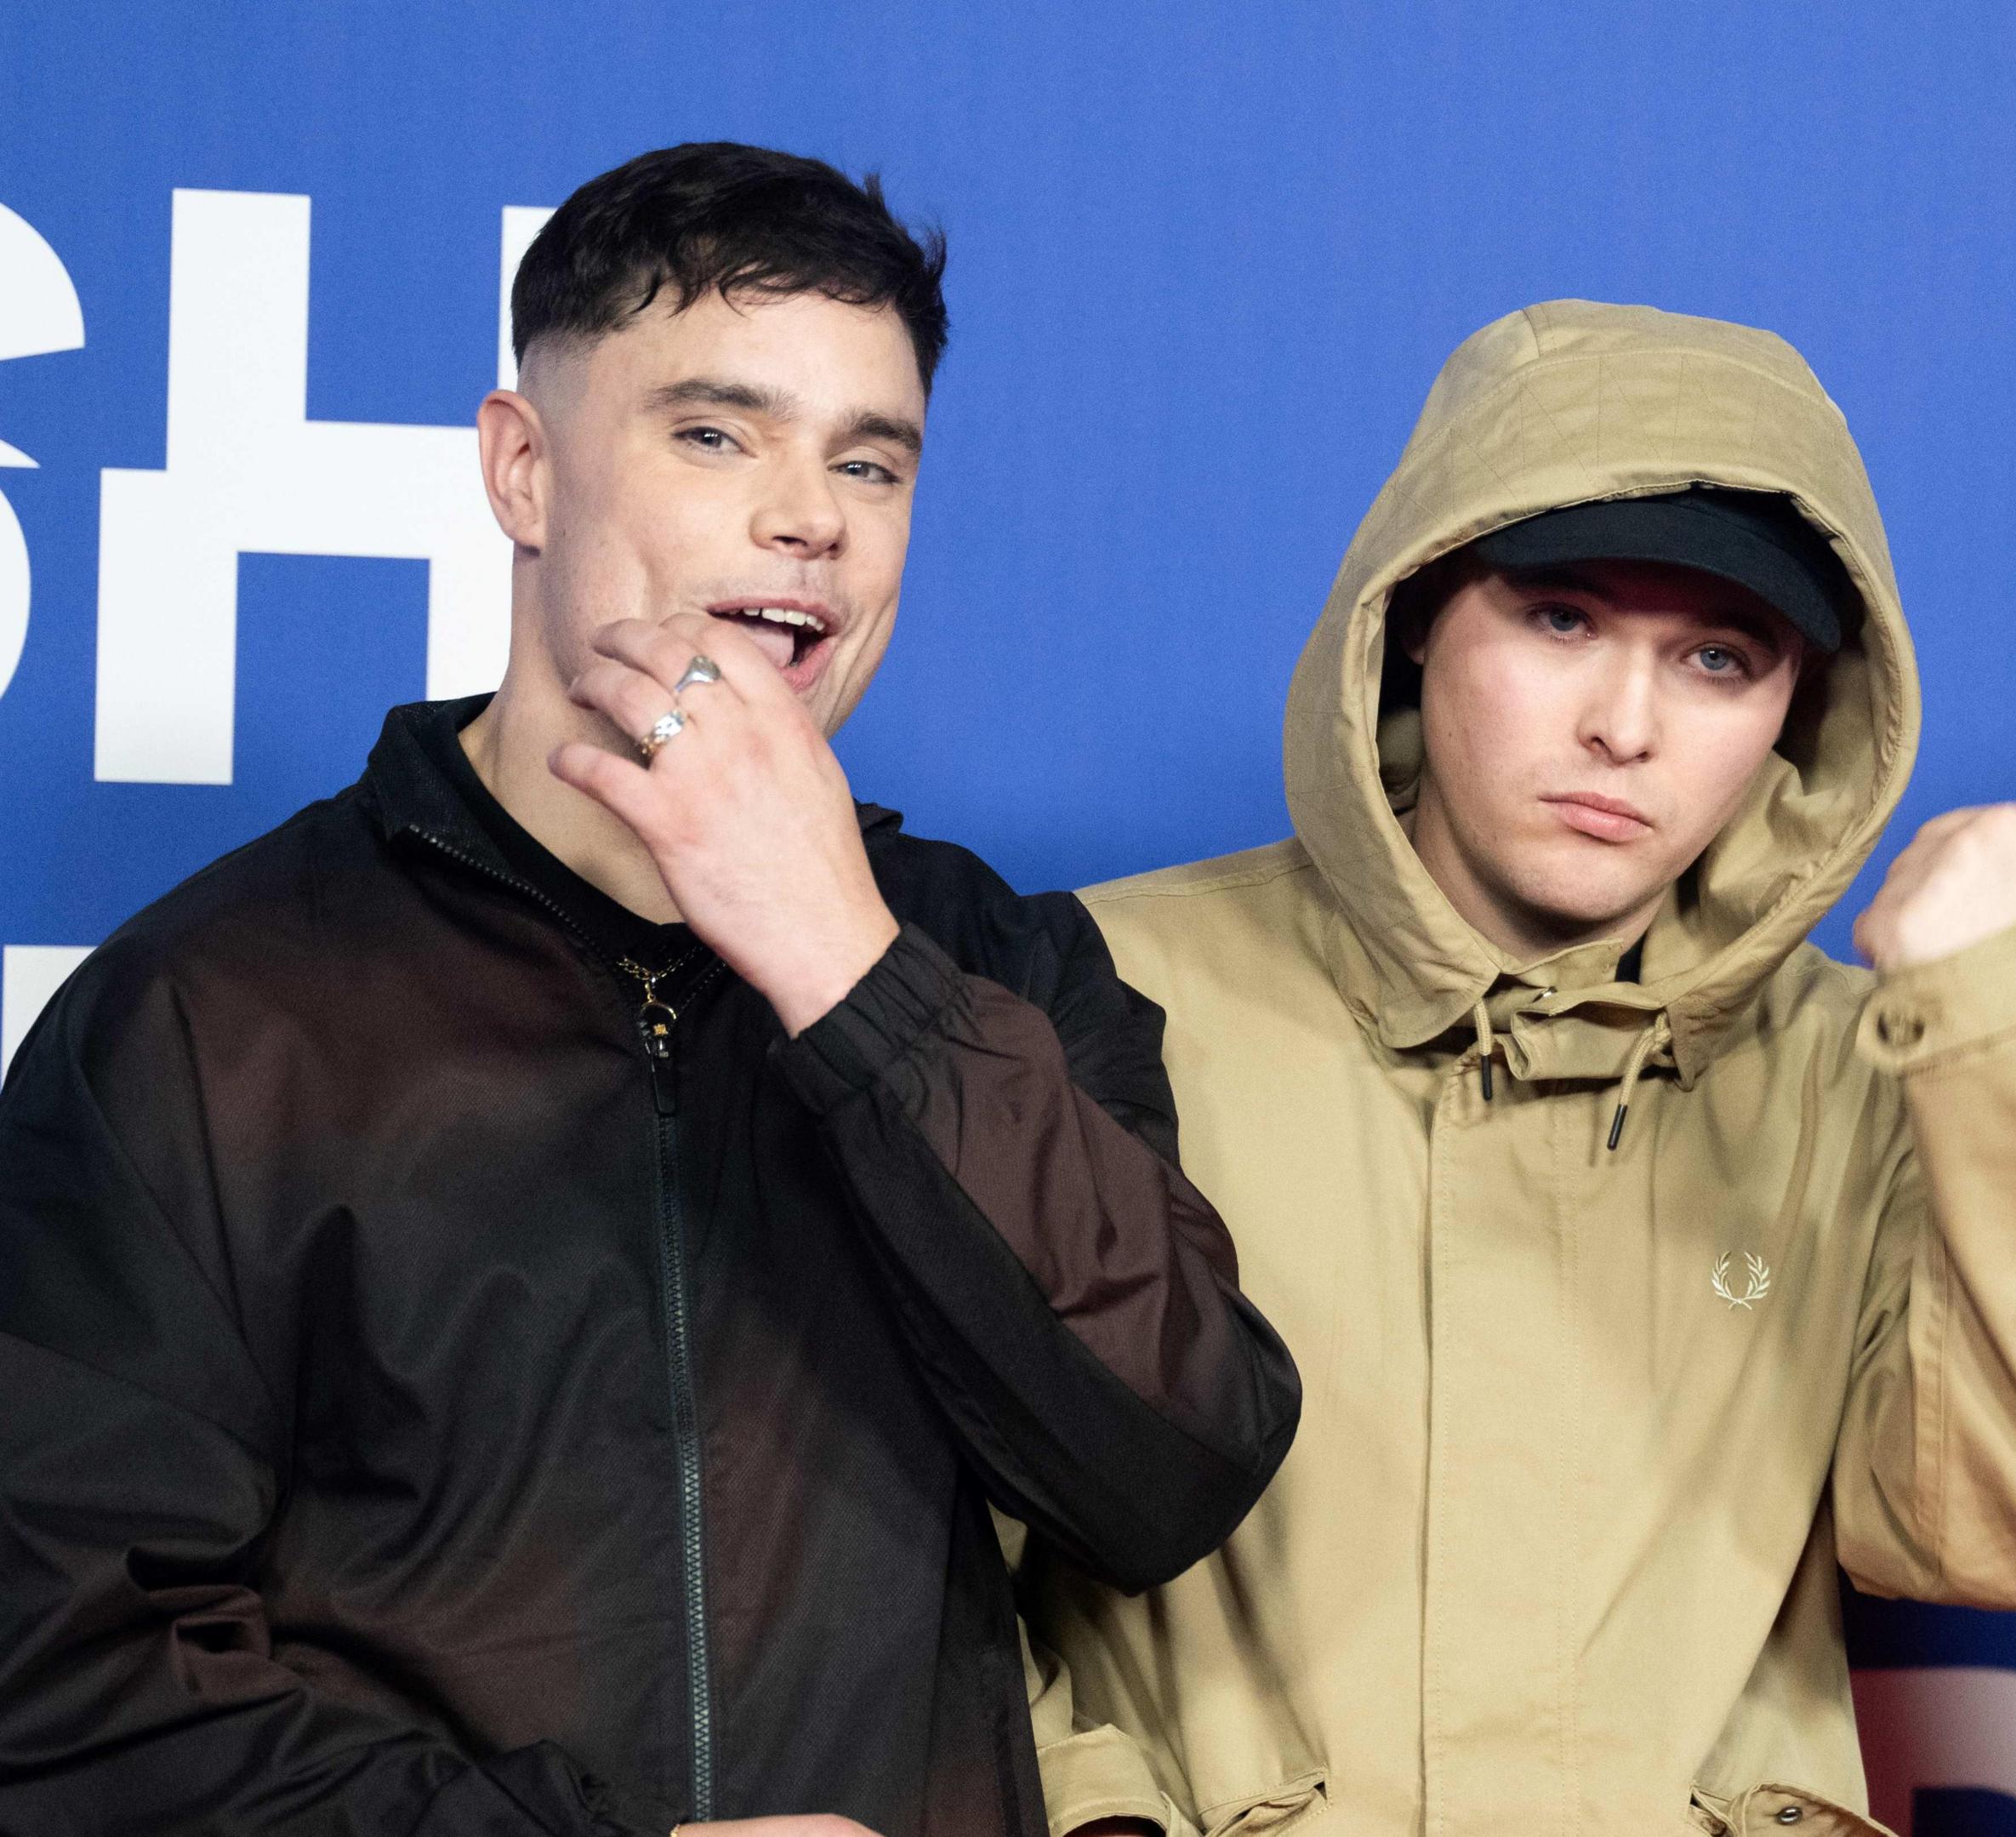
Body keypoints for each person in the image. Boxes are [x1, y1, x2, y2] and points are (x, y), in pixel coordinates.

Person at [0, 142, 1297, 1837]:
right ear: (523, 470)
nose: (811, 518)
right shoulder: (214, 1011)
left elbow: (1171, 1467)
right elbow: (64, 1683)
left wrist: (850, 973)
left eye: (872, 463)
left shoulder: (992, 966)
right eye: (714, 433)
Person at [1017, 300, 2016, 1835]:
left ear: (1797, 713)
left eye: (1716, 656)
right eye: (1561, 619)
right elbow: (894, 1559)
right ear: (1420, 611)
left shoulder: (1875, 1074)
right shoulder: (1094, 991)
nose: (1625, 727)